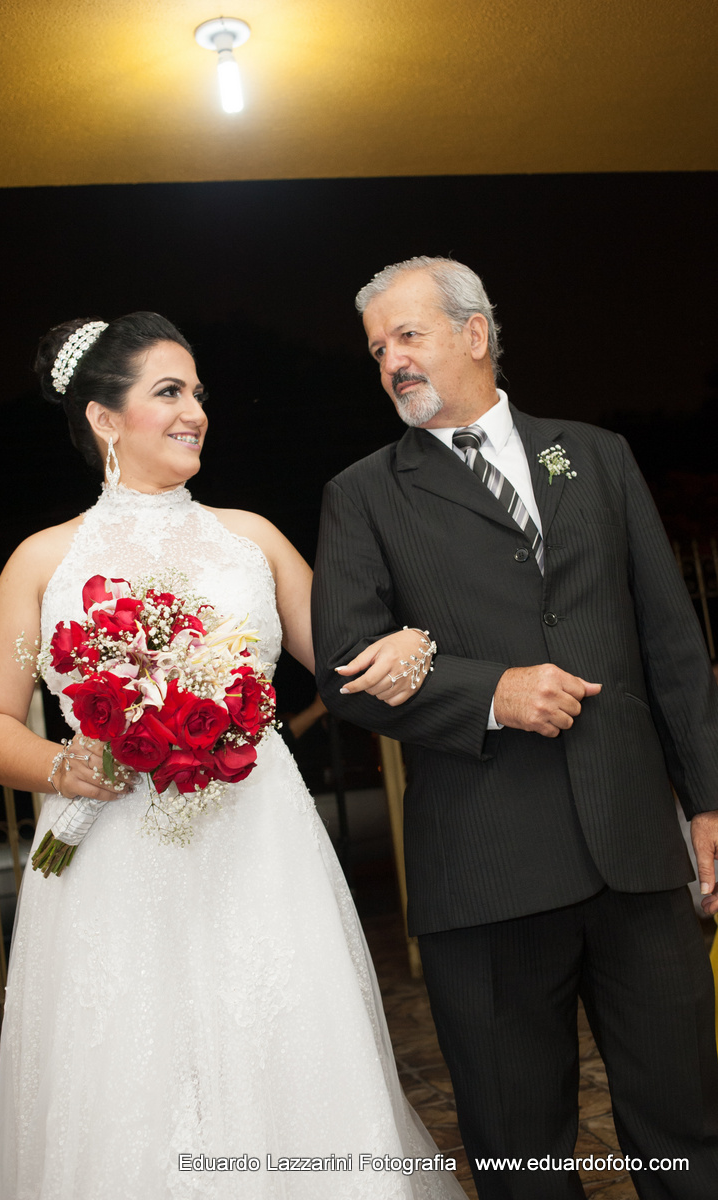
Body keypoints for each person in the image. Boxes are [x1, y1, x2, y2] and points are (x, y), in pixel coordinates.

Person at [0, 312, 464, 1199]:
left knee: (280, 1043)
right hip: (109, 857)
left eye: (197, 393)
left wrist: (410, 644)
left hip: (257, 845)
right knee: (129, 1070)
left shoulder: (251, 539)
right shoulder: (44, 562)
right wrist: (65, 767)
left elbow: (346, 664)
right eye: (168, 392)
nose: (195, 412)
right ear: (103, 418)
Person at [311, 256, 718, 1200]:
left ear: (475, 333)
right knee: (519, 1151)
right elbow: (348, 674)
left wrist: (707, 802)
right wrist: (491, 693)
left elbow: (669, 642)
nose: (391, 361)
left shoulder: (596, 455)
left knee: (689, 1130)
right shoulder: (363, 494)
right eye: (377, 349)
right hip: (483, 874)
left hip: (636, 857)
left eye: (408, 336)